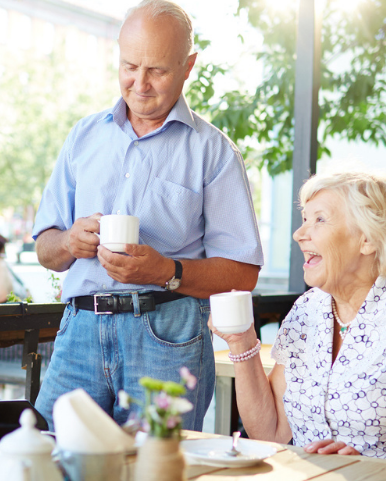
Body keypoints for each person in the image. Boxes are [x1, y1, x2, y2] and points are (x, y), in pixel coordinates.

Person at [31, 0, 263, 430]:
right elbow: (45, 248)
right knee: (50, 460)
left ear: (188, 65)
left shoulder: (214, 152)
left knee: (156, 477)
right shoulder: (83, 136)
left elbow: (243, 273)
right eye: (129, 66)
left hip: (167, 335)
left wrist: (167, 271)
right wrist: (67, 242)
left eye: (157, 70)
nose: (140, 83)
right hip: (79, 329)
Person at [213, 170, 386, 468]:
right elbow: (270, 432)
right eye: (304, 219)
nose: (299, 234)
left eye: (319, 219)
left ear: (367, 239)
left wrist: (372, 469)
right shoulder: (308, 309)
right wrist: (242, 341)